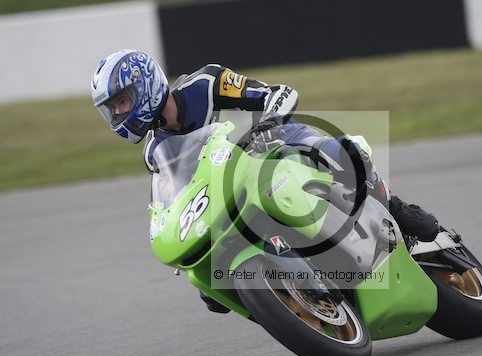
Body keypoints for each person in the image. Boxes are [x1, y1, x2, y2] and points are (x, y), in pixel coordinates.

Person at [91, 49, 439, 312]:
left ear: (146, 84)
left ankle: (396, 208)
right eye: (113, 108)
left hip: (280, 144)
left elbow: (277, 93)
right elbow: (178, 196)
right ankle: (291, 301)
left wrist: (268, 122)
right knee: (210, 291)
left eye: (123, 101)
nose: (119, 113)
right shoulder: (155, 152)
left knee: (345, 154)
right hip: (235, 187)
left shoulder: (205, 85)